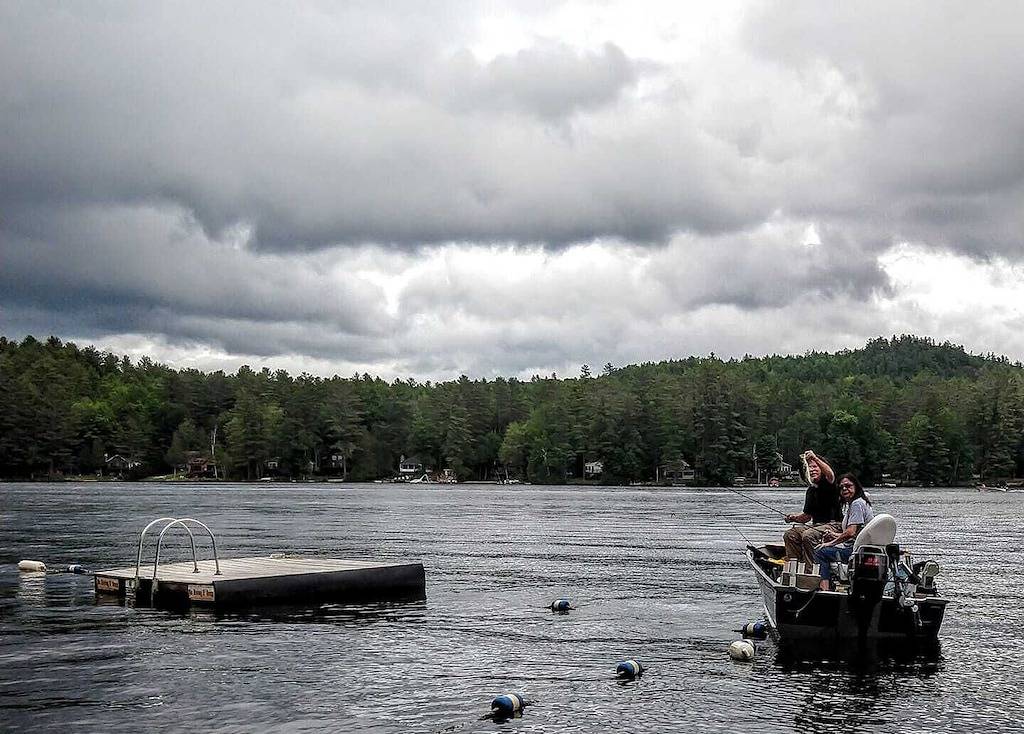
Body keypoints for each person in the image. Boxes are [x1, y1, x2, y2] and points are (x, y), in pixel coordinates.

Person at [814, 473, 875, 590]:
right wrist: (834, 535)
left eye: (848, 486)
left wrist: (830, 543)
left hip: (855, 552)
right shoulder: (861, 501)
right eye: (841, 487)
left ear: (856, 486)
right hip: (862, 548)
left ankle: (824, 589)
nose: (844, 489)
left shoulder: (857, 504)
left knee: (820, 552)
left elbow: (851, 532)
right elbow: (856, 533)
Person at [783, 450, 842, 565]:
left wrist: (815, 458)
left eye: (815, 467)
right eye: (810, 467)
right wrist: (793, 518)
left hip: (834, 524)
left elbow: (830, 474)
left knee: (808, 535)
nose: (812, 469)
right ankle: (796, 566)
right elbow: (806, 517)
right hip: (816, 526)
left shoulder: (828, 483)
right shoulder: (811, 490)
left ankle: (812, 570)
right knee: (790, 534)